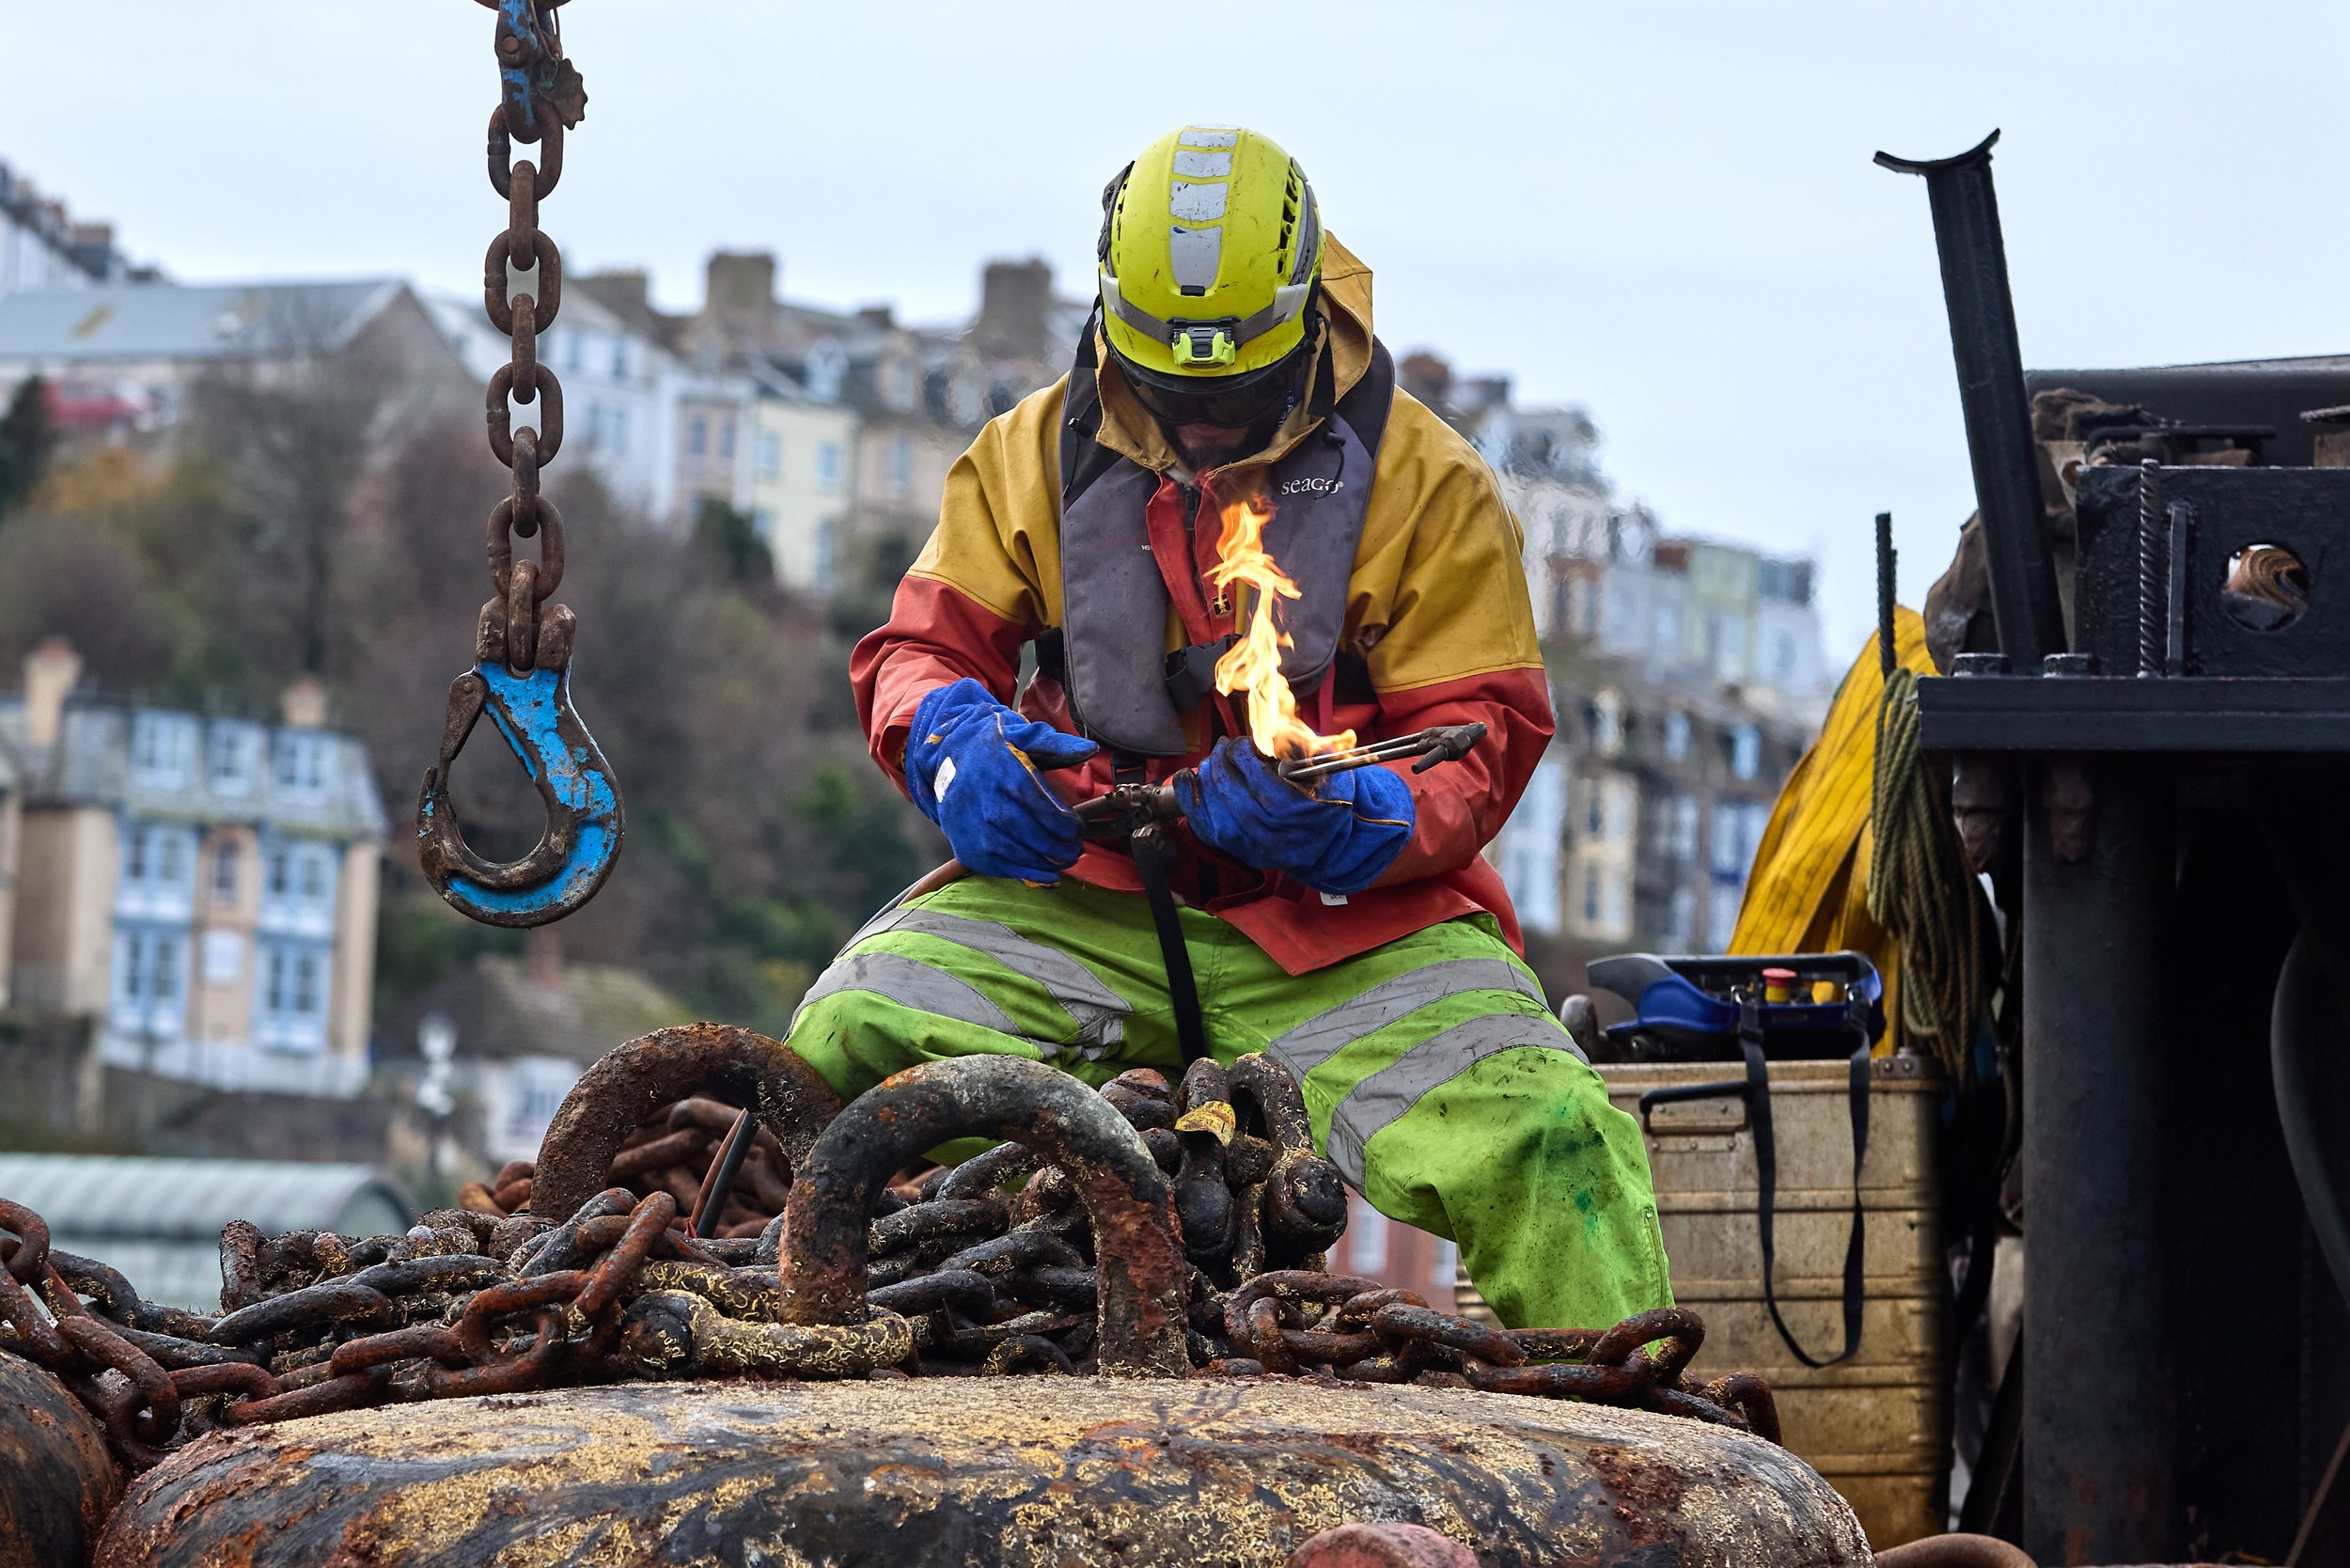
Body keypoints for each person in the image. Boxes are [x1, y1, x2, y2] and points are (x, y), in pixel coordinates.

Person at [789, 124, 1668, 1329]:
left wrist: (1368, 819)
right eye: (1170, 390)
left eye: (1232, 393)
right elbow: (919, 651)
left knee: (1559, 1143)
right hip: (1088, 888)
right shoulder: (1026, 458)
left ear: (1306, 323)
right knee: (844, 1039)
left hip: (1345, 927)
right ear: (1110, 330)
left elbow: (1486, 730)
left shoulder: (1431, 485)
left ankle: (1623, 1490)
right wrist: (946, 736)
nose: (1200, 424)